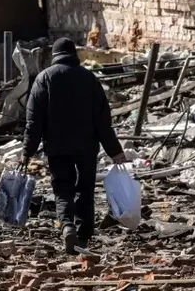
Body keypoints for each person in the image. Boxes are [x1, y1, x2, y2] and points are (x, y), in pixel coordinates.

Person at [22, 37, 127, 254]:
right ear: (74, 55)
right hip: (87, 147)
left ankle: (67, 226)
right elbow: (102, 121)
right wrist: (115, 151)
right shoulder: (89, 78)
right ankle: (84, 236)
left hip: (57, 147)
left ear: (55, 55)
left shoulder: (44, 79)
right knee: (85, 190)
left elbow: (34, 122)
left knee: (62, 189)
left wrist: (27, 152)